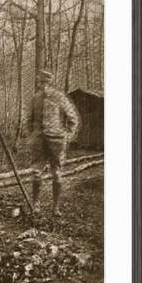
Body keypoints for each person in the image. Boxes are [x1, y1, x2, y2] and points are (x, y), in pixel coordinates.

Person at [29, 70, 79, 216]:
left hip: (57, 141)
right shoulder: (35, 99)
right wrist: (32, 135)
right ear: (38, 84)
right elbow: (29, 119)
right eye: (41, 83)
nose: (43, 86)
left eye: (46, 83)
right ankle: (35, 204)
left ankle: (55, 207)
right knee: (36, 173)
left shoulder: (60, 98)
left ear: (50, 83)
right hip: (39, 142)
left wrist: (67, 136)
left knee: (56, 173)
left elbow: (73, 118)